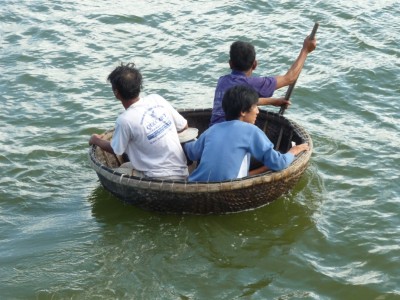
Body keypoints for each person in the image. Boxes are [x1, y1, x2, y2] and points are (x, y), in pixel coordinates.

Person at [184, 85, 309, 182]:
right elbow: (279, 163)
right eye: (255, 106)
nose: (257, 111)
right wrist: (293, 151)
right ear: (243, 111)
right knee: (274, 160)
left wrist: (184, 138)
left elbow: (191, 152)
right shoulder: (251, 131)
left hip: (195, 182)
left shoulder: (212, 129)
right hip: (229, 188)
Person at [89, 63, 189, 180]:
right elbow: (184, 126)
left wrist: (95, 140)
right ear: (139, 86)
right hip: (183, 171)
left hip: (156, 178)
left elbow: (116, 150)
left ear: (116, 93)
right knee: (126, 165)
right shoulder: (156, 99)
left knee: (115, 173)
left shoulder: (124, 120)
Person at [210, 36, 317, 126]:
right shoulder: (252, 84)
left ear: (230, 64)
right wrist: (305, 50)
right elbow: (289, 78)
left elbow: (240, 101)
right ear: (255, 65)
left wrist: (272, 101)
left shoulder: (222, 81)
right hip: (232, 133)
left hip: (213, 129)